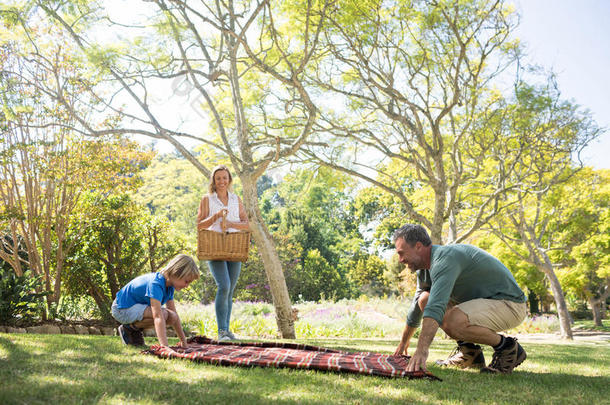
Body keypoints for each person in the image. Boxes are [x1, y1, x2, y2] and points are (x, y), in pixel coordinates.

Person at [393, 224, 528, 374]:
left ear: (418, 246)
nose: (400, 259)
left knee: (453, 321)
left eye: (401, 253)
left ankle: (507, 347)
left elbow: (436, 307)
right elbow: (417, 307)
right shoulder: (425, 270)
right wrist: (403, 343)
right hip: (485, 304)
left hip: (510, 304)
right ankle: (471, 354)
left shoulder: (445, 259)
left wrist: (421, 350)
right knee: (425, 298)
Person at [197, 165, 250, 341]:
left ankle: (227, 331)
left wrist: (231, 224)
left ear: (229, 180)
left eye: (225, 178)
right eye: (218, 178)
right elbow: (199, 225)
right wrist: (217, 217)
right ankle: (221, 332)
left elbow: (246, 224)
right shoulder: (207, 199)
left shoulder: (236, 199)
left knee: (230, 290)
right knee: (224, 286)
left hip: (235, 246)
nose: (222, 181)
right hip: (214, 246)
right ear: (213, 181)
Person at [111, 254, 199, 349]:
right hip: (121, 309)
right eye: (186, 281)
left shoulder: (169, 287)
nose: (187, 286)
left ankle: (130, 329)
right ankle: (128, 329)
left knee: (172, 316)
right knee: (163, 314)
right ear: (176, 273)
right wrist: (165, 347)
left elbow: (175, 316)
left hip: (133, 308)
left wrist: (184, 343)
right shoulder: (156, 283)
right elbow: (157, 316)